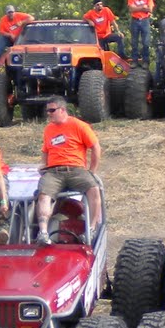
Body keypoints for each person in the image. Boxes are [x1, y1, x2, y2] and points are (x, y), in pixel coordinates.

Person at [33, 97, 103, 244]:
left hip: (76, 169)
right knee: (44, 195)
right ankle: (43, 232)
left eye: (52, 110)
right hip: (54, 171)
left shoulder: (79, 126)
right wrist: (43, 165)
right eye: (47, 111)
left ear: (62, 110)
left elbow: (95, 147)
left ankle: (91, 228)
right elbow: (45, 150)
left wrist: (92, 171)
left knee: (94, 188)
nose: (49, 114)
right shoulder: (48, 129)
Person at [126, 0, 156, 66]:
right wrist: (143, 7)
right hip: (135, 20)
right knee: (134, 42)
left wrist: (137, 8)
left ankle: (145, 61)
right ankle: (134, 61)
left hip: (145, 21)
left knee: (146, 42)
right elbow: (131, 9)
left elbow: (150, 9)